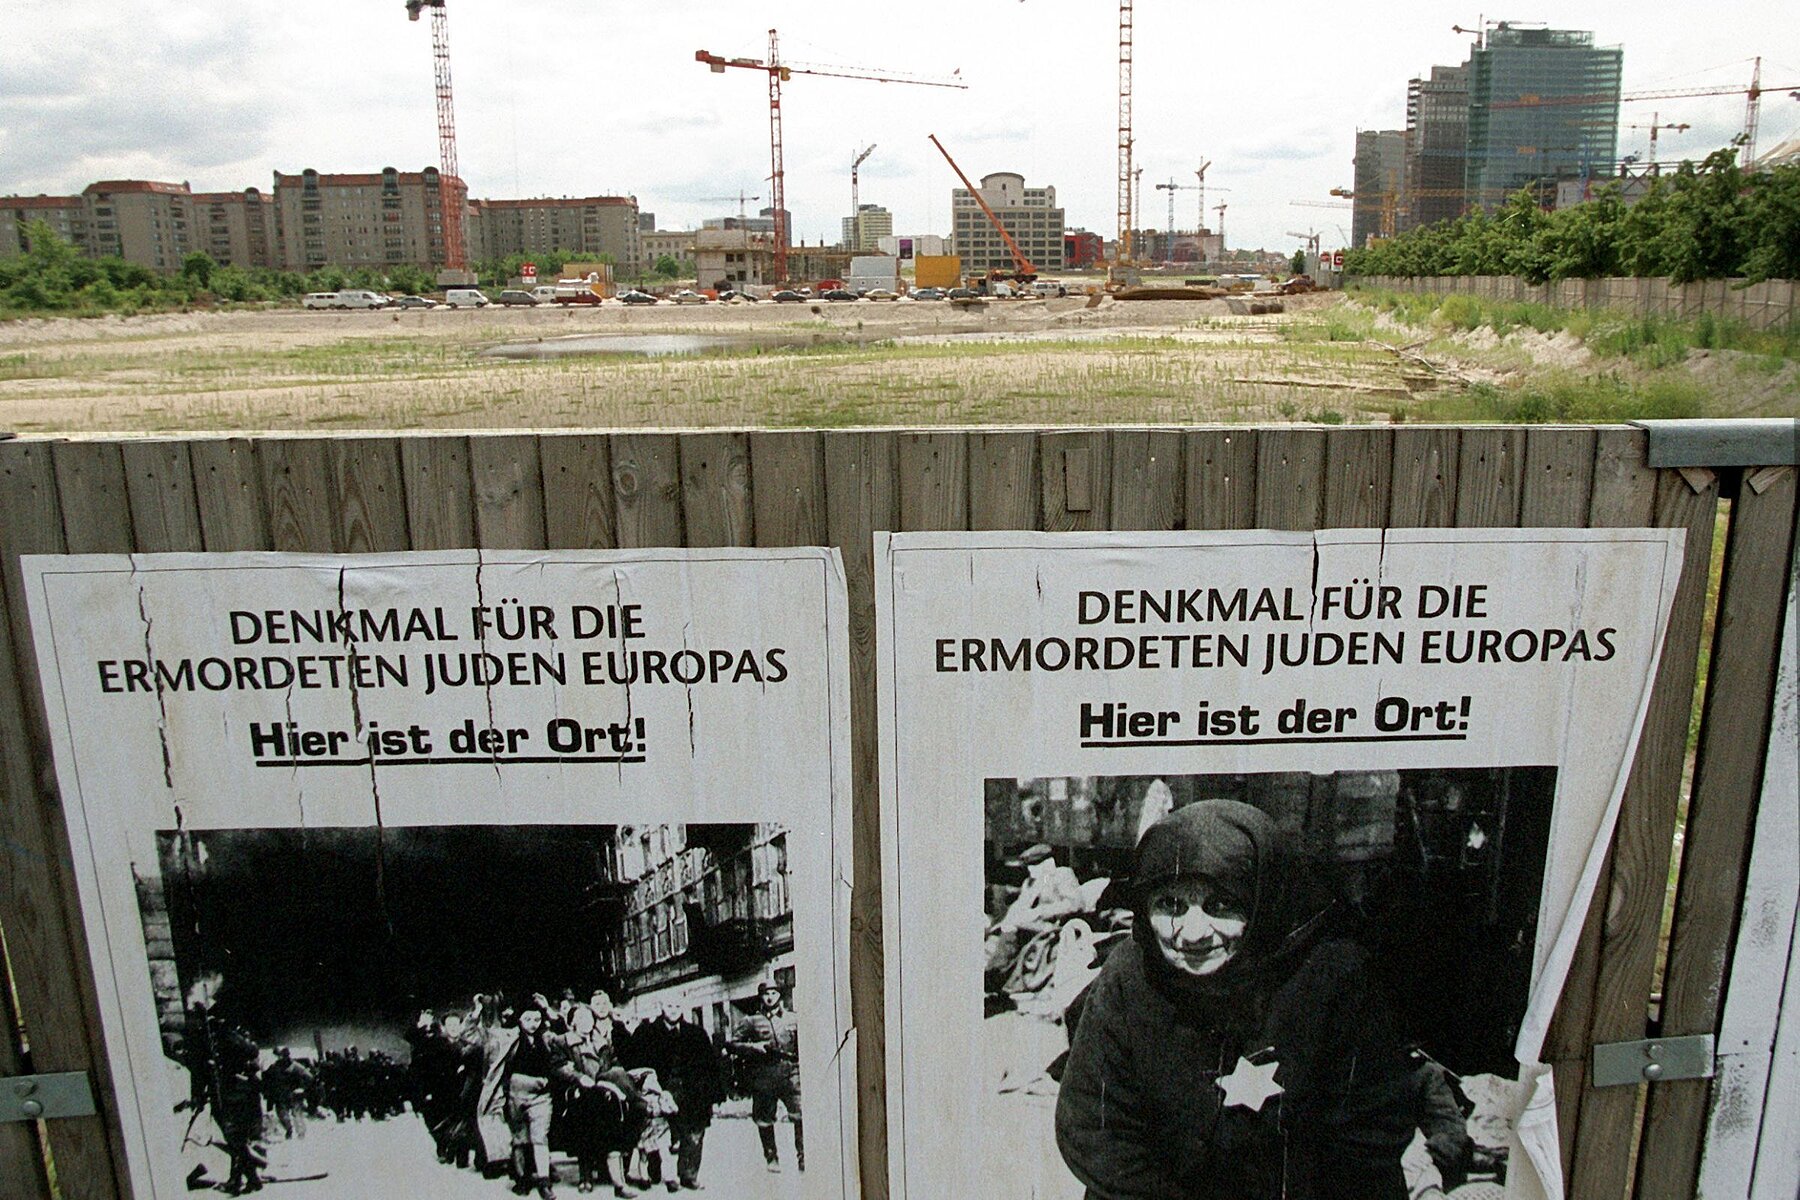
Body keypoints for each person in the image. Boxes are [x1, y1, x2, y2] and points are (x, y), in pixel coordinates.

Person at [1054, 800, 1416, 1200]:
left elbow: (1371, 1132)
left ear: (1264, 901)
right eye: (1170, 905)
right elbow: (1093, 1127)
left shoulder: (1334, 977)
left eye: (1221, 905)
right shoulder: (1131, 974)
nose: (1192, 934)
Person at [630, 1000, 724, 1192]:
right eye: (669, 1006)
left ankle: (688, 1175)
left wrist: (713, 1094)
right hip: (659, 1090)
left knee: (695, 1133)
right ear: (661, 1007)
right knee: (657, 1132)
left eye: (678, 1006)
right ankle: (654, 1168)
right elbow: (636, 1065)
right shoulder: (646, 1033)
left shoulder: (696, 1034)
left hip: (691, 1093)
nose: (673, 1011)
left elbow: (710, 1066)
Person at [558, 1001, 643, 1197]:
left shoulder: (603, 1043)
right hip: (580, 1094)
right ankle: (585, 1178)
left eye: (589, 1018)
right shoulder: (563, 1042)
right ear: (572, 1023)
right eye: (581, 1018)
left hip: (604, 1093)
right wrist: (579, 1078)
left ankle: (619, 1184)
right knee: (584, 1133)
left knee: (614, 1134)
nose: (586, 1022)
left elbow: (613, 1064)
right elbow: (558, 1067)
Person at [728, 981, 803, 1174]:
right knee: (764, 1119)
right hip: (764, 1076)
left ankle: (803, 1158)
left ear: (780, 995)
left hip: (791, 1074)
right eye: (766, 993)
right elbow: (733, 1044)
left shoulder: (793, 1019)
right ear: (761, 997)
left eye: (774, 993)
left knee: (801, 1115)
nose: (770, 997)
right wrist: (754, 1047)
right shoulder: (751, 1021)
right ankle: (771, 1158)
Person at [505, 1002, 570, 1199]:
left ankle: (544, 1183)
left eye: (537, 1019)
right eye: (528, 1019)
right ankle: (522, 1179)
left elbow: (563, 1033)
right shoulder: (510, 1038)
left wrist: (548, 1009)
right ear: (519, 1020)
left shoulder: (547, 1038)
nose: (533, 1024)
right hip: (517, 1095)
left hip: (542, 1096)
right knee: (520, 1138)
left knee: (540, 1138)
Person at [260, 1047, 312, 1141]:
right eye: (280, 1056)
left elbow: (308, 1077)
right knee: (286, 1114)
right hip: (284, 1095)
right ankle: (291, 1130)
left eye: (282, 1056)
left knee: (294, 1114)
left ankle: (299, 1133)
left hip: (291, 1094)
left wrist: (303, 1088)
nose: (281, 1058)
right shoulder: (277, 1067)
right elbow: (267, 1079)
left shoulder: (293, 1067)